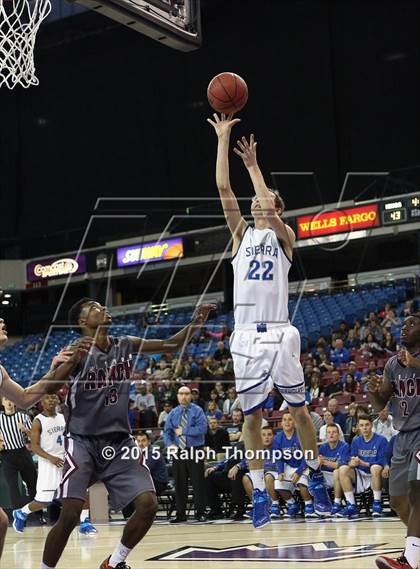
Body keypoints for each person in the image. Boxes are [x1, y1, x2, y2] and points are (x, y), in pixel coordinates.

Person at [208, 113, 331, 528]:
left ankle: (313, 474)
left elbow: (267, 204)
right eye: (256, 199)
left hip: (280, 332)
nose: (257, 202)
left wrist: (255, 168)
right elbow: (224, 188)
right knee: (251, 418)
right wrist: (223, 139)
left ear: (276, 207)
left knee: (299, 410)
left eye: (265, 200)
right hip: (245, 336)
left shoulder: (284, 236)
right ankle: (260, 488)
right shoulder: (241, 234)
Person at [40, 299, 214, 569]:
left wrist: (197, 321)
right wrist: (57, 366)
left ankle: (114, 561)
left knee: (148, 504)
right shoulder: (77, 352)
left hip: (120, 441)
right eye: (95, 307)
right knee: (71, 514)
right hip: (82, 441)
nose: (103, 308)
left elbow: (171, 344)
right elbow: (48, 388)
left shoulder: (124, 343)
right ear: (82, 321)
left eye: (102, 305)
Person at [0, 317, 91, 560]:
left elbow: (26, 398)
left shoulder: (0, 370)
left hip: (56, 457)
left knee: (0, 523)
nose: (1, 320)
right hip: (41, 458)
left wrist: (54, 369)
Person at [368, 314, 420, 569]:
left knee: (417, 490)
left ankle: (411, 560)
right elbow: (381, 405)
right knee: (398, 499)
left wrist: (417, 364)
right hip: (403, 437)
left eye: (412, 323)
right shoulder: (393, 364)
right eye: (404, 323)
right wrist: (373, 391)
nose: (405, 327)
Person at [11, 394, 66, 533]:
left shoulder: (63, 417)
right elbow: (34, 446)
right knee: (44, 501)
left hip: (65, 461)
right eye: (48, 398)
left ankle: (84, 522)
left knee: (78, 492)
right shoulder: (38, 421)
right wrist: (51, 457)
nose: (52, 400)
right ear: (41, 402)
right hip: (48, 463)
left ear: (58, 400)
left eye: (54, 397)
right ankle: (21, 512)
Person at [163, 386, 208, 523]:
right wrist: (170, 444)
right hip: (178, 451)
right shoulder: (173, 413)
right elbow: (167, 432)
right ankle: (180, 514)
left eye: (187, 394)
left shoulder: (198, 411)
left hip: (195, 450)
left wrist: (184, 430)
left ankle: (200, 513)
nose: (184, 397)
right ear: (177, 396)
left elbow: (203, 429)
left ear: (191, 396)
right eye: (181, 394)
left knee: (198, 482)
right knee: (180, 483)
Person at [338, 414, 388, 519]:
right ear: (358, 427)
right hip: (361, 473)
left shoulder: (381, 440)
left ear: (371, 425)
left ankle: (377, 504)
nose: (364, 428)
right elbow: (352, 457)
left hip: (377, 473)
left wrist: (365, 464)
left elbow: (383, 460)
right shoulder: (356, 440)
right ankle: (351, 504)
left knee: (375, 468)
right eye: (362, 425)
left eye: (367, 425)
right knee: (343, 469)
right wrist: (352, 463)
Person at [0, 397, 38, 518]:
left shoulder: (23, 417)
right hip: (7, 455)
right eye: (6, 400)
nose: (9, 402)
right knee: (13, 487)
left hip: (22, 452)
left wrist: (25, 430)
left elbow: (34, 437)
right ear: (2, 403)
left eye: (11, 400)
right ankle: (19, 516)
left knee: (32, 483)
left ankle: (39, 514)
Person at [274, 412, 315, 518]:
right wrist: (280, 472)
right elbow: (279, 458)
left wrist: (298, 472)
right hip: (288, 465)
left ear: (295, 422)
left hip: (303, 465)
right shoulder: (277, 438)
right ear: (281, 423)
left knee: (302, 483)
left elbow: (307, 456)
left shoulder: (301, 435)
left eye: (290, 419)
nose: (287, 422)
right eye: (284, 420)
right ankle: (292, 504)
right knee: (278, 484)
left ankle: (309, 505)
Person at [243, 425, 288, 520]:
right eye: (263, 435)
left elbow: (280, 463)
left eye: (269, 435)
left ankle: (274, 505)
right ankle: (258, 506)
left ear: (274, 436)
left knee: (268, 476)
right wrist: (238, 466)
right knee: (246, 478)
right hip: (262, 474)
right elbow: (246, 461)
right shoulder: (257, 449)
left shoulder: (278, 447)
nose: (266, 437)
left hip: (276, 474)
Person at [122, 431, 169, 519]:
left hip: (158, 482)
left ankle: (136, 516)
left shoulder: (153, 452)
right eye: (138, 441)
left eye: (143, 441)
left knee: (135, 489)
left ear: (149, 441)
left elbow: (144, 469)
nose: (141, 443)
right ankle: (128, 517)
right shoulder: (135, 452)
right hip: (145, 481)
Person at [205, 440, 247, 520]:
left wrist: (238, 466)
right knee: (210, 476)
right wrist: (215, 467)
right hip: (226, 473)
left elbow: (252, 459)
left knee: (236, 475)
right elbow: (227, 460)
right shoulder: (237, 445)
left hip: (241, 473)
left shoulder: (254, 445)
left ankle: (238, 509)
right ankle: (216, 510)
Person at [318, 424, 350, 515]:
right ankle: (318, 505)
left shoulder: (344, 446)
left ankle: (337, 504)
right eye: (329, 432)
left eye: (334, 432)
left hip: (341, 476)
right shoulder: (323, 447)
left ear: (338, 434)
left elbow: (341, 465)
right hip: (326, 475)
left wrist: (325, 462)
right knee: (312, 476)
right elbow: (319, 463)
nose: (331, 434)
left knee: (337, 472)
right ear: (326, 435)